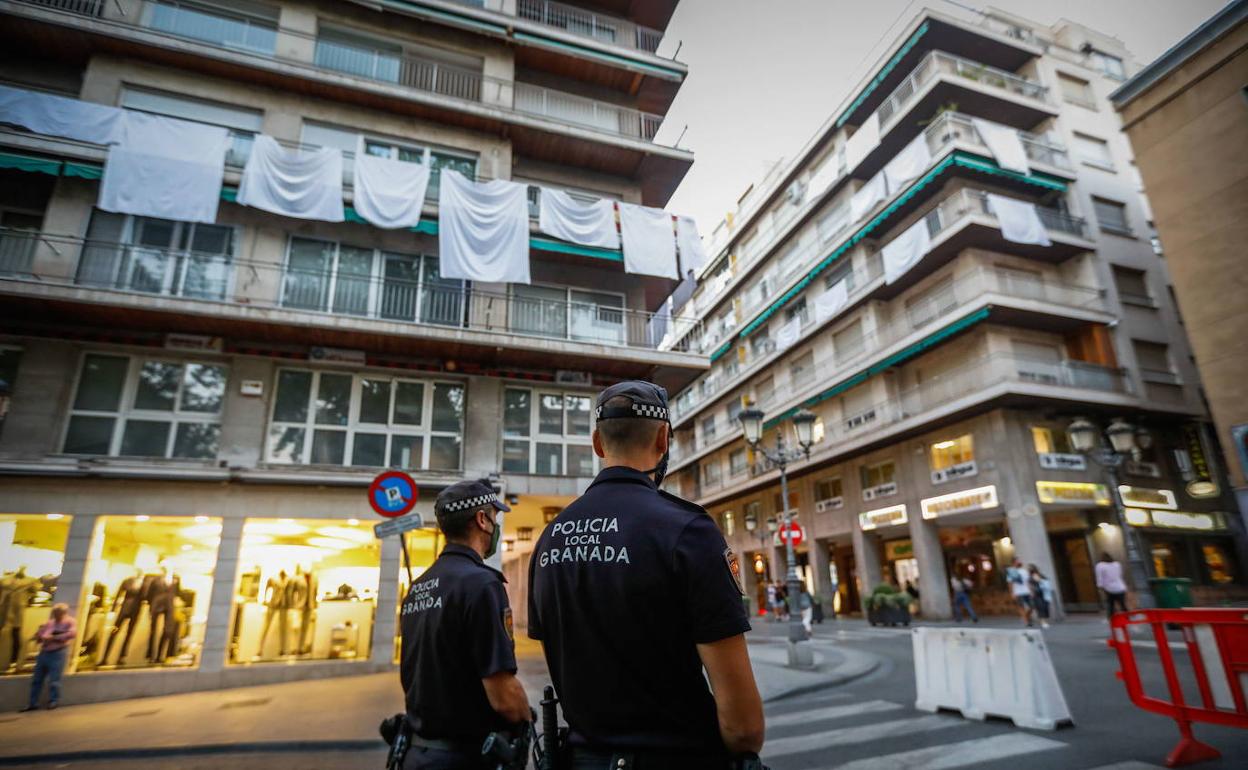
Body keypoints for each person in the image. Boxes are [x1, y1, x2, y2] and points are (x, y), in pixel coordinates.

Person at [529, 381, 765, 768]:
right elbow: (744, 728)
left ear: (598, 444)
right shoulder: (688, 531)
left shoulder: (550, 538)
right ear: (663, 439)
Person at [398, 479, 530, 769]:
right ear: (482, 520)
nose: (496, 527)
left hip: (417, 755)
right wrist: (527, 717)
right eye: (495, 518)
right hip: (463, 758)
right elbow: (502, 693)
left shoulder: (419, 586)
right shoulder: (481, 584)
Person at [22, 603, 76, 711]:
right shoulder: (50, 623)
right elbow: (41, 634)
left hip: (58, 652)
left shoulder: (70, 621)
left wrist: (54, 637)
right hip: (44, 652)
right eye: (54, 613)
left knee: (54, 679)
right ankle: (33, 703)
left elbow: (72, 634)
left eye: (57, 613)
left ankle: (53, 701)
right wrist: (39, 636)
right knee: (37, 679)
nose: (55, 615)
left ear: (63, 613)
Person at [1095, 552, 1129, 621]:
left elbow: (1099, 578)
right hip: (1120, 587)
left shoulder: (1100, 565)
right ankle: (1127, 618)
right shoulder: (1117, 564)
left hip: (1109, 588)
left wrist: (1100, 587)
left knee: (1110, 604)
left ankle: (1111, 619)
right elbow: (1120, 575)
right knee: (1122, 604)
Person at [1005, 559, 1033, 627]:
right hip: (1018, 592)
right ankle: (1026, 622)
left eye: (1020, 561)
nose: (1020, 562)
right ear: (1014, 563)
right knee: (1021, 607)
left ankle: (1025, 617)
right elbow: (1010, 583)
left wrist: (1031, 590)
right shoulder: (1011, 572)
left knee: (1032, 606)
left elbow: (1028, 582)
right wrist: (1012, 593)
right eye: (1018, 561)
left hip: (1027, 591)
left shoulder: (1024, 571)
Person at [1030, 565, 1054, 629]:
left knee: (1045, 607)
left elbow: (1047, 582)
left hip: (1044, 593)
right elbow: (1031, 586)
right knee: (1040, 608)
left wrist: (1040, 580)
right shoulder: (1030, 577)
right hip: (1037, 594)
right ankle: (1043, 622)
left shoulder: (1041, 576)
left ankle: (1044, 621)